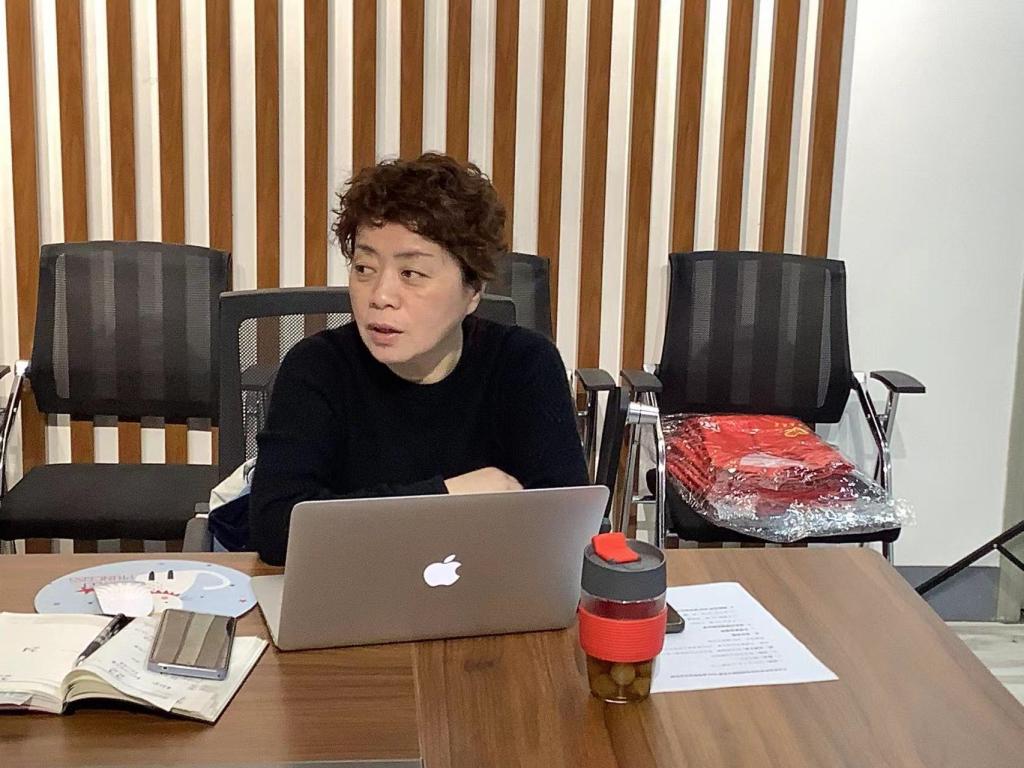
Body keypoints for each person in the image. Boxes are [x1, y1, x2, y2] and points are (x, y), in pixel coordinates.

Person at [223, 153, 587, 565]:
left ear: (473, 291)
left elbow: (567, 525)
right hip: (353, 593)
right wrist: (446, 496)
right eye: (364, 268)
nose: (380, 296)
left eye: (411, 274)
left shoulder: (524, 364)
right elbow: (275, 528)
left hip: (489, 590)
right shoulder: (317, 367)